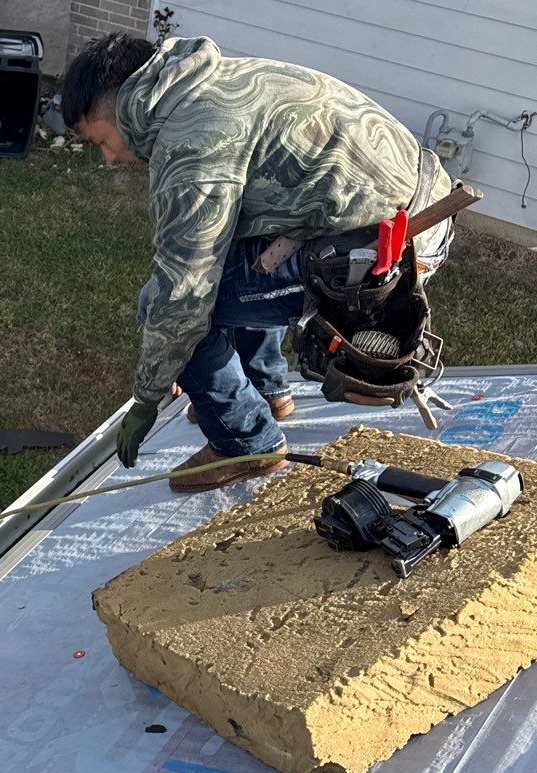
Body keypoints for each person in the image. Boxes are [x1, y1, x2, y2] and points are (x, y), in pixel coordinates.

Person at [62, 32, 453, 492]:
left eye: (99, 141)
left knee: (164, 307)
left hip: (380, 252)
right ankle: (267, 390)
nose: (107, 158)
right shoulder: (215, 79)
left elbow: (183, 296)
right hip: (418, 210)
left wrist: (146, 398)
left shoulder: (190, 145)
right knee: (229, 258)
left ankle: (247, 442)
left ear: (111, 109)